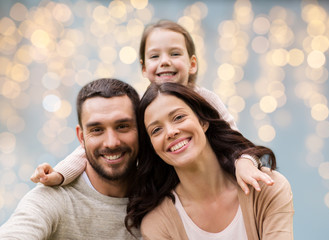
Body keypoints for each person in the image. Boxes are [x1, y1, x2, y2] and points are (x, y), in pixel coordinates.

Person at [31, 19, 273, 193]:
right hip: (166, 190)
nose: (165, 62)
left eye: (175, 54)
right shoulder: (144, 107)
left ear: (192, 64)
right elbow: (89, 148)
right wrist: (61, 174)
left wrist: (246, 163)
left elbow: (236, 142)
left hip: (211, 187)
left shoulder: (206, 100)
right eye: (155, 56)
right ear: (144, 68)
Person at [125, 82, 294, 240]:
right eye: (156, 130)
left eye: (178, 117)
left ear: (203, 122)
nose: (170, 132)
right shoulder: (158, 224)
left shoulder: (266, 188)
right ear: (153, 147)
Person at [0, 78, 141, 239]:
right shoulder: (53, 199)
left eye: (122, 126)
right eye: (97, 130)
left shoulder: (160, 195)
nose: (111, 142)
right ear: (81, 137)